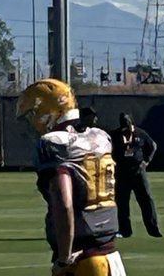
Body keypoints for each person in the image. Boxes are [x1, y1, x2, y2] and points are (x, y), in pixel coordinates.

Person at [16, 78, 126, 276]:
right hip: (111, 256)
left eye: (33, 114)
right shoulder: (100, 137)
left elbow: (64, 203)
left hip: (83, 260)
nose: (33, 121)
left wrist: (64, 258)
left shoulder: (54, 143)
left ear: (48, 110)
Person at [110, 112, 161, 238]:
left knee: (146, 200)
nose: (125, 131)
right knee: (122, 202)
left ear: (131, 124)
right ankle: (125, 230)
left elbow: (153, 146)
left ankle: (153, 229)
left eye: (127, 128)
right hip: (122, 173)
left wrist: (146, 161)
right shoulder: (115, 135)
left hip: (138, 172)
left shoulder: (140, 133)